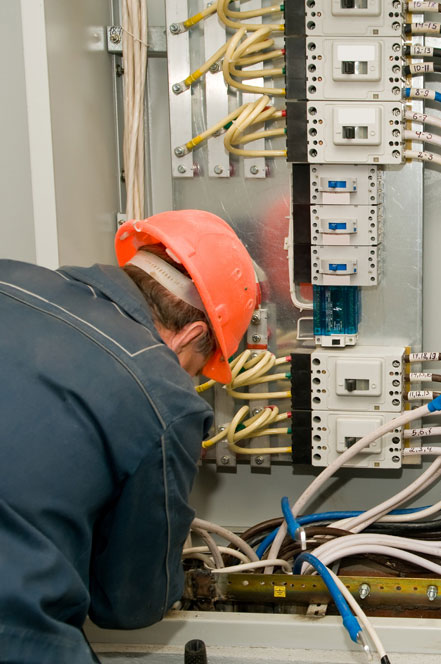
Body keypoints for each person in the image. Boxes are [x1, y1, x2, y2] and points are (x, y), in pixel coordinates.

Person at [0, 210, 257, 662]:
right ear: (192, 334)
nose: (190, 381)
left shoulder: (10, 279)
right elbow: (129, 604)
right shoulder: (166, 397)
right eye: (198, 369)